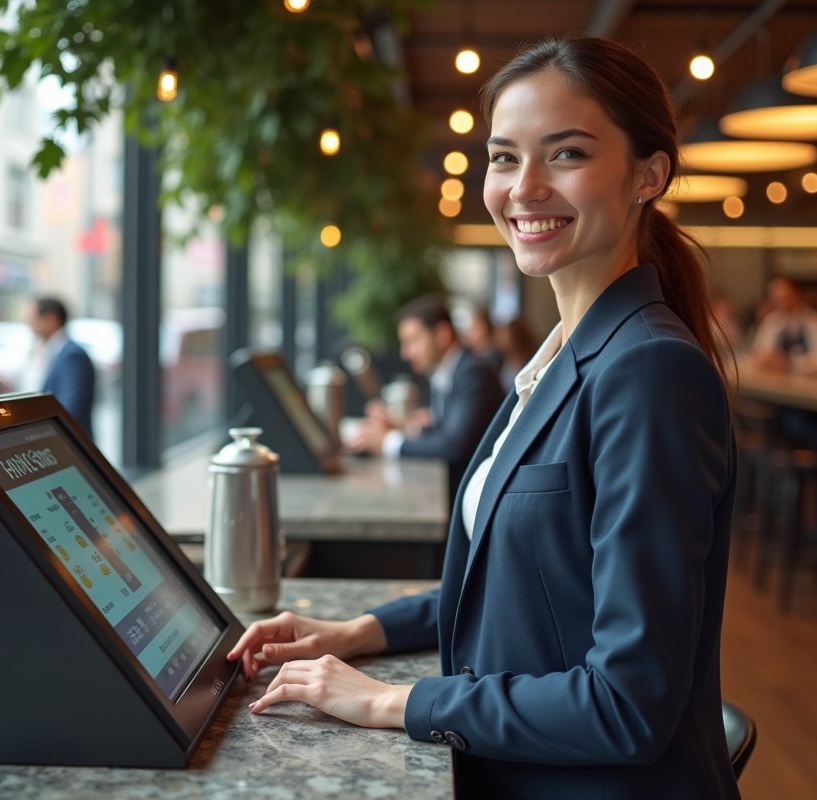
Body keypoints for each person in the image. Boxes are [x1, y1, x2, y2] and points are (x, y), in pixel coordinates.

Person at [228, 38, 741, 799]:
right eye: (504, 158)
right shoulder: (561, 353)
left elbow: (629, 704)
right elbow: (521, 584)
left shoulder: (648, 370)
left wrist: (388, 701)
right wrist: (357, 632)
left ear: (648, 174)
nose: (525, 187)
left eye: (565, 153)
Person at [345, 295, 504, 502]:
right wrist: (401, 429)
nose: (405, 353)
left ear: (442, 334)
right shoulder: (446, 372)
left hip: (477, 498)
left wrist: (386, 442)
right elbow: (443, 430)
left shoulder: (473, 373)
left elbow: (453, 446)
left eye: (413, 341)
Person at [26, 297, 95, 436]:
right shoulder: (54, 351)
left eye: (32, 319)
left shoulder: (72, 356)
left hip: (72, 446)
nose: (29, 324)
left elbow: (69, 410)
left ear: (51, 319)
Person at [751, 276, 817, 375]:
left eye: (784, 297)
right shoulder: (772, 320)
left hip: (806, 382)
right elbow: (758, 353)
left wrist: (789, 362)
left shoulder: (813, 320)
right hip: (776, 381)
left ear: (797, 295)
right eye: (776, 299)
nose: (779, 302)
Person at [462, 307, 503, 372]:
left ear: (483, 328)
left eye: (474, 328)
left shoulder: (495, 357)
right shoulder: (474, 354)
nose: (469, 332)